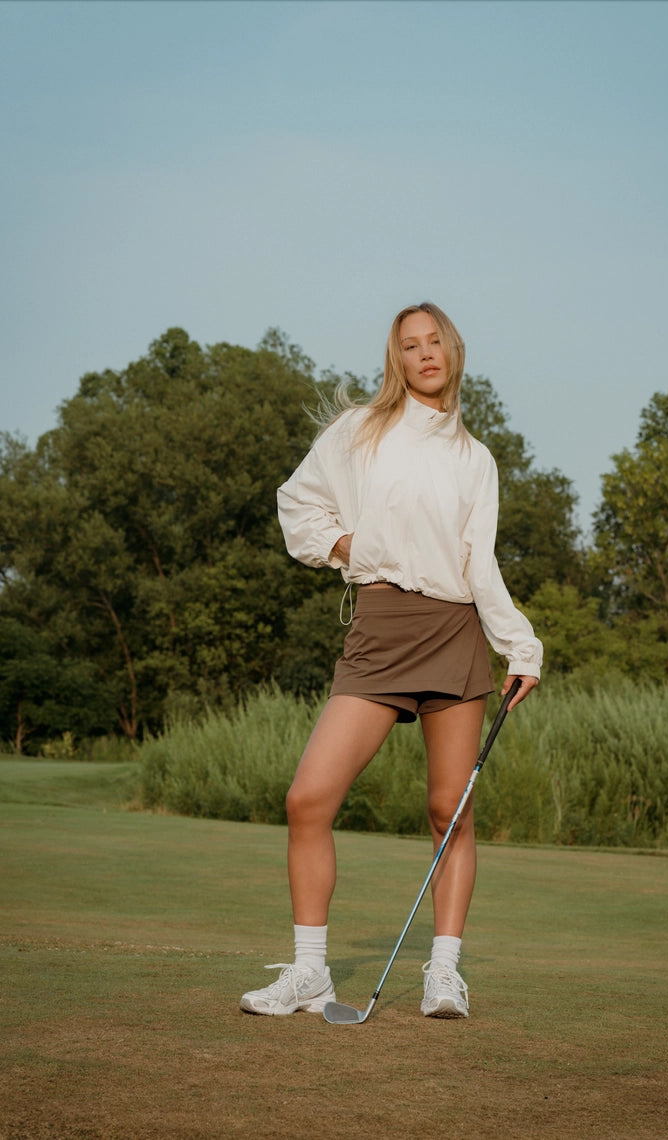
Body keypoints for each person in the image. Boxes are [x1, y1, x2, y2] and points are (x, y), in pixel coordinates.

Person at [240, 302, 542, 1020]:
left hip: (455, 632)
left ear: (453, 351)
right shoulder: (360, 431)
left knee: (449, 813)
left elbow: (480, 564)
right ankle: (310, 975)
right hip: (379, 627)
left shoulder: (475, 459)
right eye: (411, 345)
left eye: (435, 341)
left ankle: (444, 974)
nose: (425, 354)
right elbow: (298, 505)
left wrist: (520, 643)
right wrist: (350, 549)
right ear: (396, 360)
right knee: (308, 797)